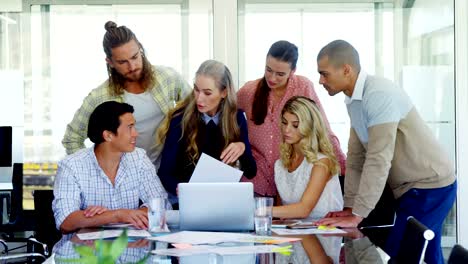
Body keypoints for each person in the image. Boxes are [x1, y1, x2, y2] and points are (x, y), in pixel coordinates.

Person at [315, 39, 456, 264]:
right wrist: (350, 207)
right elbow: (356, 158)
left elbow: (378, 159)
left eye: (324, 74)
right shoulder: (354, 100)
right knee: (426, 255)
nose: (321, 80)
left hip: (429, 186)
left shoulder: (378, 94)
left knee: (402, 254)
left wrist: (358, 215)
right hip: (410, 188)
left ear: (346, 70)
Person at [62, 21, 191, 167]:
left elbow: (197, 112)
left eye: (135, 57)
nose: (132, 66)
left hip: (165, 173)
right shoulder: (99, 97)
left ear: (140, 49)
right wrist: (94, 172)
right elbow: (71, 138)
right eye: (123, 62)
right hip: (124, 180)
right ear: (110, 62)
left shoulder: (168, 78)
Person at [237, 40, 346, 197]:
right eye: (268, 70)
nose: (272, 78)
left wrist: (343, 167)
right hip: (255, 181)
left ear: (293, 70)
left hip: (290, 182)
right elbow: (226, 115)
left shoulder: (302, 87)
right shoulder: (249, 91)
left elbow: (323, 128)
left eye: (280, 74)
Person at [53, 101, 168, 235]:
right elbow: (65, 222)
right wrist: (118, 215)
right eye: (130, 127)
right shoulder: (71, 166)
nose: (135, 133)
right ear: (108, 135)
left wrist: (128, 214)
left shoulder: (139, 158)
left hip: (132, 249)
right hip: (85, 252)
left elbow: (162, 205)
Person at [157, 60, 257, 205]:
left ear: (224, 92)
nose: (199, 98)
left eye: (207, 93)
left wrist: (243, 147)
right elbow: (165, 173)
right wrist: (179, 188)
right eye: (196, 89)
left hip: (224, 203)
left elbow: (251, 171)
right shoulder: (180, 120)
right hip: (187, 203)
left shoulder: (237, 118)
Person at [272, 96, 343, 264]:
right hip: (294, 236)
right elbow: (284, 211)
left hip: (322, 236)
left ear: (309, 127)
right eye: (284, 122)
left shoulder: (321, 161)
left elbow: (304, 209)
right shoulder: (280, 165)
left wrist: (260, 212)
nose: (287, 130)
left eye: (295, 125)